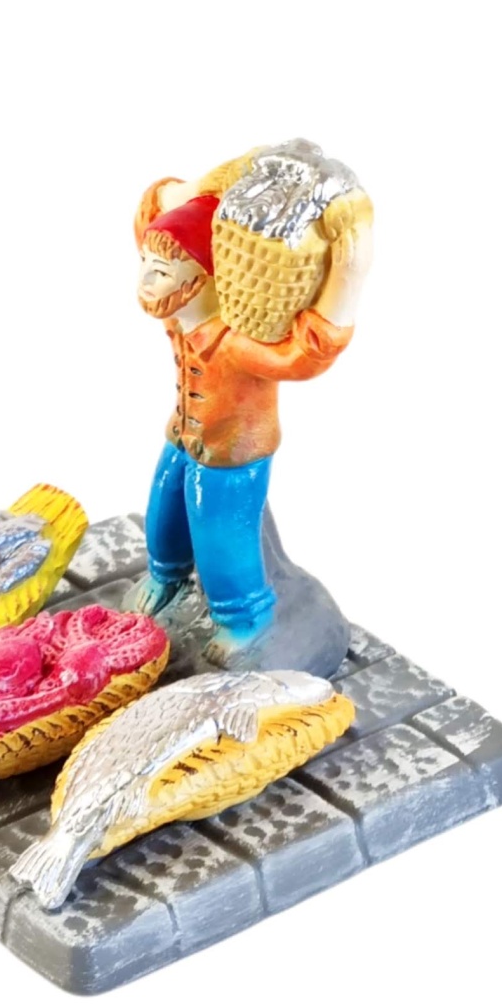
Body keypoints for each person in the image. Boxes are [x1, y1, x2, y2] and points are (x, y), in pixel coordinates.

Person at [126, 165, 373, 655]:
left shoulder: (237, 345)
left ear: (205, 281)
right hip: (185, 438)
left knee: (221, 536)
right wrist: (202, 189)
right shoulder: (177, 320)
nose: (146, 279)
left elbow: (303, 356)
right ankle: (166, 576)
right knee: (164, 509)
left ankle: (244, 618)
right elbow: (148, 216)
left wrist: (347, 278)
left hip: (233, 458)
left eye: (163, 272)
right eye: (146, 264)